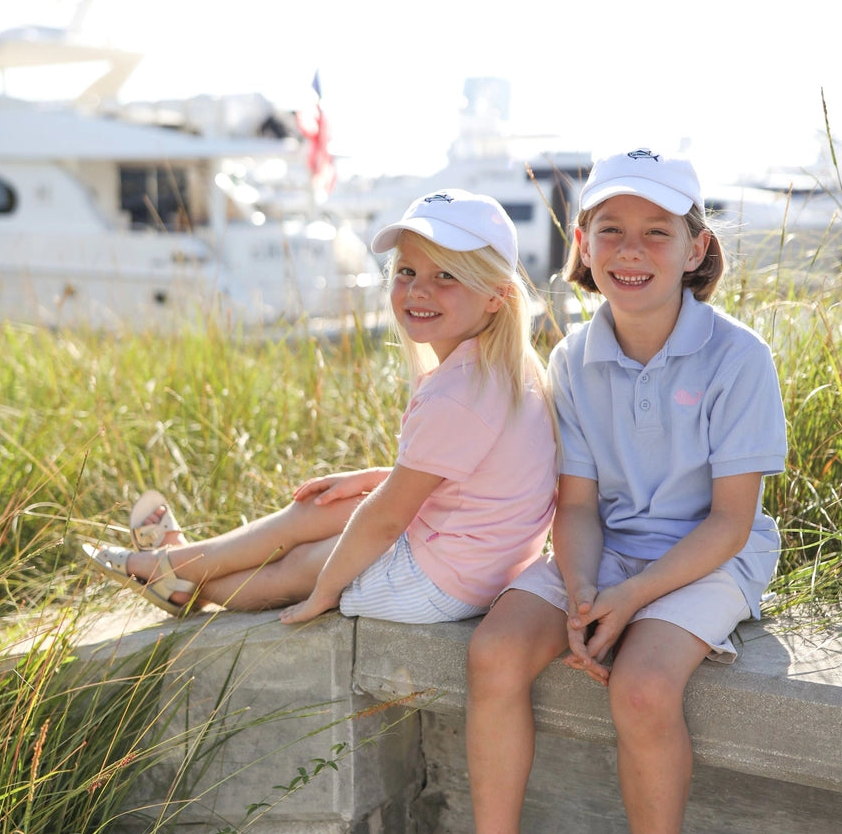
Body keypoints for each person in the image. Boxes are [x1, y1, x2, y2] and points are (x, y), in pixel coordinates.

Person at [442, 149, 787, 834]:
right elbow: (581, 509)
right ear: (583, 248)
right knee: (494, 653)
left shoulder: (738, 357)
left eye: (657, 232)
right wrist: (586, 589)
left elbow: (728, 521)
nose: (631, 250)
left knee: (639, 688)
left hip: (708, 555)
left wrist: (628, 601)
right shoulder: (574, 358)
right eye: (610, 231)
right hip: (609, 553)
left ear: (694, 245)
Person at [83, 190, 557, 628]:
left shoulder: (459, 394)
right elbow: (456, 479)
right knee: (321, 508)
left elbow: (389, 517)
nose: (417, 290)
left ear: (498, 294)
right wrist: (372, 478)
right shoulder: (507, 370)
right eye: (407, 272)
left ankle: (183, 580)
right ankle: (182, 562)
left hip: (438, 584)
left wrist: (324, 592)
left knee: (304, 564)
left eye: (445, 276)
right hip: (477, 562)